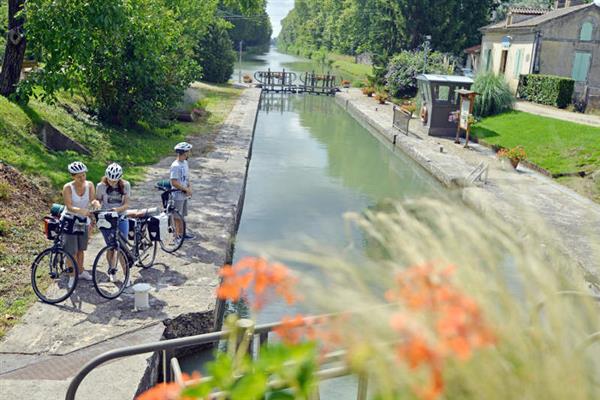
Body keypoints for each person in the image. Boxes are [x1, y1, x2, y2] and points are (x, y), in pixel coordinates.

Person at [62, 161, 100, 288]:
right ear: (73, 176)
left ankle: (81, 270)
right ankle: (72, 275)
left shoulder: (89, 185)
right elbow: (69, 206)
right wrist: (81, 211)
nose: (82, 178)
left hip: (82, 221)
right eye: (79, 176)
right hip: (70, 219)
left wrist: (95, 203)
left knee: (81, 248)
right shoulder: (68, 187)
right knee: (71, 250)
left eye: (83, 175)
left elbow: (92, 199)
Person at [96, 163, 131, 244]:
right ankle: (110, 255)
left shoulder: (126, 185)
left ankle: (122, 256)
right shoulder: (100, 186)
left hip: (121, 216)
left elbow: (126, 204)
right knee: (110, 245)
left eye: (115, 181)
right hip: (107, 217)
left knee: (122, 244)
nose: (112, 183)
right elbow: (98, 200)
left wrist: (117, 210)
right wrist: (97, 204)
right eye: (109, 180)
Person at [170, 142, 194, 240]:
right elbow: (174, 182)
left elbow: (186, 178)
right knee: (177, 216)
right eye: (188, 152)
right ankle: (177, 235)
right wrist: (185, 189)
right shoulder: (175, 166)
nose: (189, 153)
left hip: (184, 194)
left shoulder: (185, 163)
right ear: (184, 153)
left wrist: (189, 188)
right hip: (177, 195)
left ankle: (182, 232)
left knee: (182, 215)